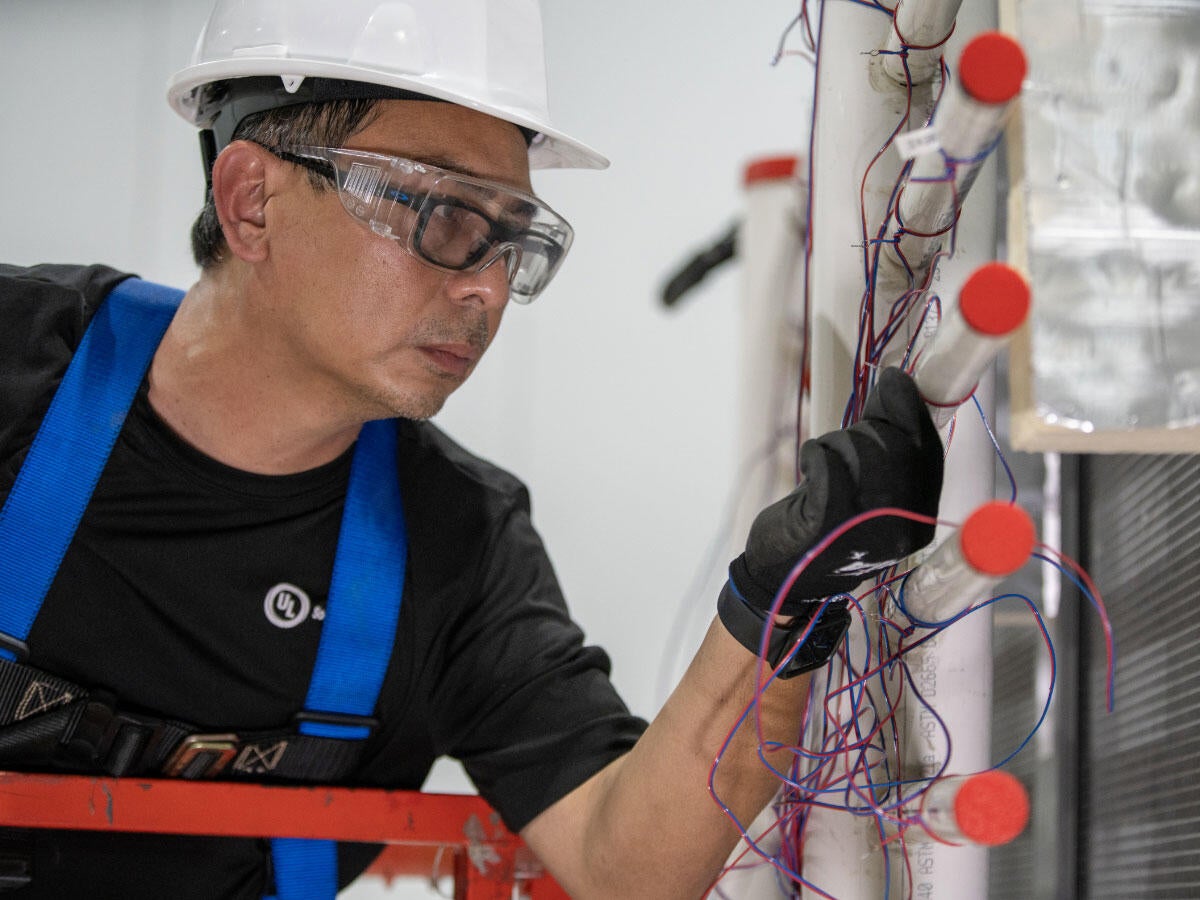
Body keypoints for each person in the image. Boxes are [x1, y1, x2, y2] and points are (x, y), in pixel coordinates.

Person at [0, 1, 944, 897]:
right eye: (443, 217)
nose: (488, 289)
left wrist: (780, 609)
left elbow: (628, 865)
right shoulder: (17, 367)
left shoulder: (456, 545)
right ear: (252, 202)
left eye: (513, 241)